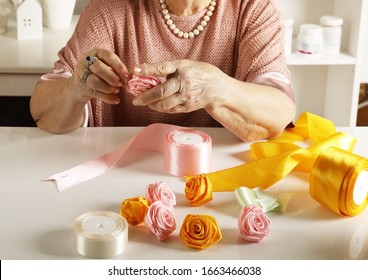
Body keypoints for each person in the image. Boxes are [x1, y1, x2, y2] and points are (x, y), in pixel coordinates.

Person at [30, 0, 296, 142]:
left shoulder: (253, 8)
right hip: (116, 174)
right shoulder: (109, 7)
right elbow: (42, 112)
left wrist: (218, 89)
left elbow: (279, 113)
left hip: (215, 179)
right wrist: (74, 89)